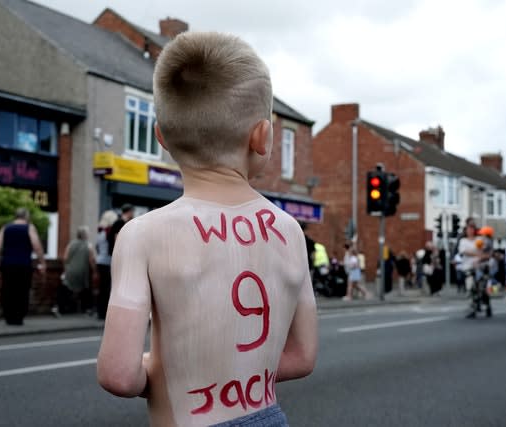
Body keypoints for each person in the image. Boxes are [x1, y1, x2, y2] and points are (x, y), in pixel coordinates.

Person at [97, 32, 317, 427]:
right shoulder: (290, 231)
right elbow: (302, 356)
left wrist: (166, 372)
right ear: (263, 137)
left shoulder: (142, 235)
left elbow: (118, 374)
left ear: (160, 137)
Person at [0, 207, 45, 325]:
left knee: (8, 289)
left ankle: (9, 316)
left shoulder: (6, 228)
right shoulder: (29, 228)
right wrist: (42, 262)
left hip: (7, 264)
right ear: (26, 216)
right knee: (22, 290)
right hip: (23, 264)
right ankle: (18, 317)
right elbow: (36, 245)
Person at [53, 226, 97, 315]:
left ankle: (58, 308)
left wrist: (65, 269)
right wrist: (95, 271)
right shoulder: (88, 245)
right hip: (82, 272)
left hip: (70, 271)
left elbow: (65, 258)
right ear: (85, 235)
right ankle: (88, 309)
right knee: (85, 289)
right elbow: (91, 260)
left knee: (65, 289)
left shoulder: (71, 244)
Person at [95, 210, 118, 320]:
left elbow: (97, 247)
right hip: (107, 262)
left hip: (99, 261)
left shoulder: (100, 232)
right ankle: (104, 313)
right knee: (107, 289)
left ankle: (100, 312)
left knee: (102, 288)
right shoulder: (108, 232)